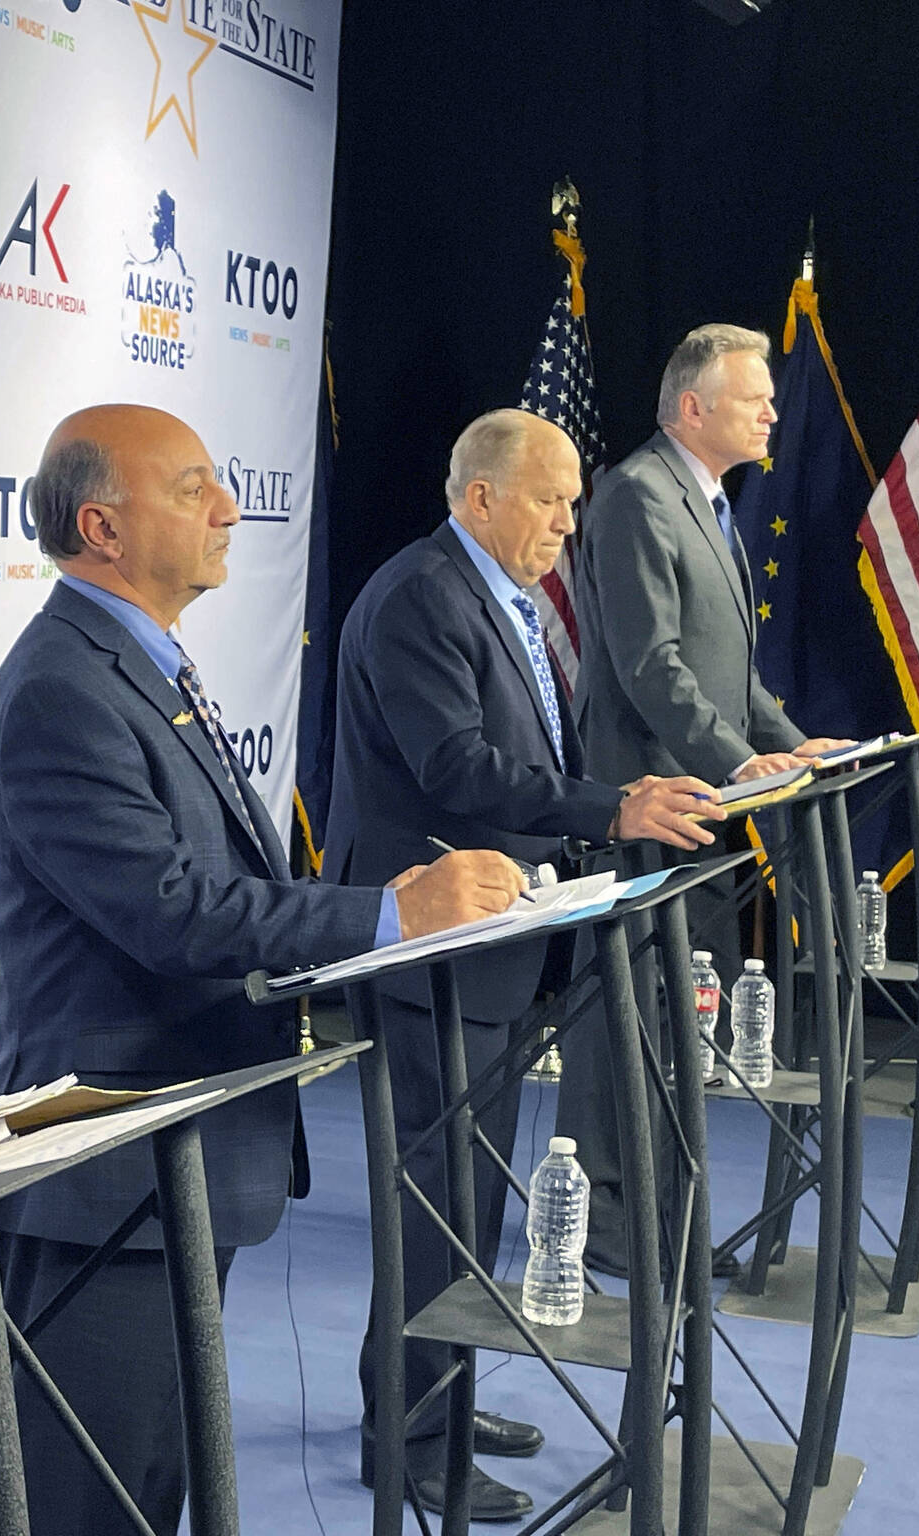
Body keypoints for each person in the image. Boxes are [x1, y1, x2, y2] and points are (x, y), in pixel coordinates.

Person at [0, 403, 527, 1536]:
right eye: (192, 489)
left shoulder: (136, 665)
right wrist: (386, 914)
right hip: (108, 1170)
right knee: (93, 1501)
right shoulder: (61, 689)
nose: (228, 509)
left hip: (174, 1154)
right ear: (101, 528)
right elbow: (169, 911)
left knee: (153, 1485)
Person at [326, 408, 721, 1521]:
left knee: (468, 1199)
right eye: (549, 500)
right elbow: (455, 767)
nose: (566, 523)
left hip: (493, 946)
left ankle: (437, 1395)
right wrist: (612, 807)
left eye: (571, 503)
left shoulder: (499, 596)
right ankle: (405, 1439)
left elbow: (525, 751)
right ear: (480, 496)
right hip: (430, 950)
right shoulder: (421, 596)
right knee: (435, 1204)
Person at [567, 324, 849, 1268]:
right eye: (754, 398)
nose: (772, 413)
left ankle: (663, 1214)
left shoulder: (709, 500)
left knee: (679, 1015)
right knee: (628, 1014)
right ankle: (608, 1219)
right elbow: (652, 667)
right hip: (643, 798)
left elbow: (732, 676)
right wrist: (739, 764)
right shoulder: (637, 496)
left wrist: (790, 749)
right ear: (694, 408)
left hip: (698, 807)